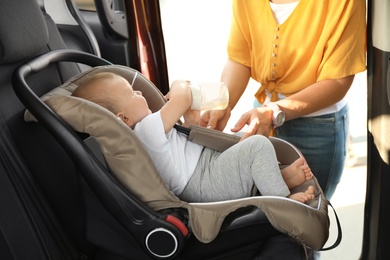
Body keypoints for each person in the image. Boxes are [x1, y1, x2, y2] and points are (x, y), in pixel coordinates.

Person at [199, 0, 366, 199]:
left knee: (305, 219)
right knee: (264, 213)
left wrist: (273, 112)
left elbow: (338, 81)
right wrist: (223, 103)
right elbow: (240, 58)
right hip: (262, 116)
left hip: (317, 127)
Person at [72, 72, 315, 203]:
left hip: (203, 171)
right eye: (131, 93)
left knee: (245, 144)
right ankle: (282, 201)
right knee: (258, 146)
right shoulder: (143, 131)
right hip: (202, 183)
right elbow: (182, 97)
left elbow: (180, 147)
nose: (138, 92)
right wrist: (180, 85)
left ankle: (277, 178)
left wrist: (190, 122)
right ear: (123, 118)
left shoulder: (147, 132)